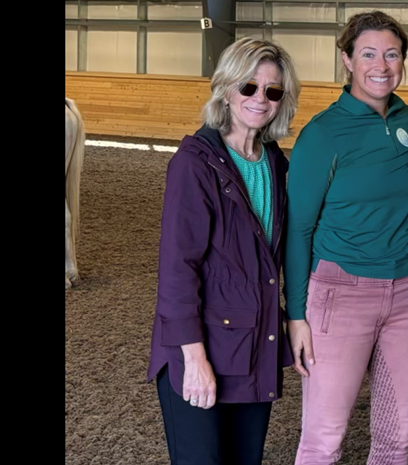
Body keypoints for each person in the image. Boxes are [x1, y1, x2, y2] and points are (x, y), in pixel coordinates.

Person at [283, 11, 408, 465]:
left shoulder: (407, 119)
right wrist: (296, 315)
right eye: (370, 53)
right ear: (347, 60)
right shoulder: (323, 135)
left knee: (396, 441)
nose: (382, 65)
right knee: (323, 441)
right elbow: (298, 231)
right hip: (341, 294)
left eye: (392, 54)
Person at [145, 36, 301, 465]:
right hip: (203, 351)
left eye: (272, 91)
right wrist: (192, 358)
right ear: (227, 90)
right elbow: (178, 268)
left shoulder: (276, 164)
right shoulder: (193, 164)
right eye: (248, 87)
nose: (260, 99)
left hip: (256, 346)